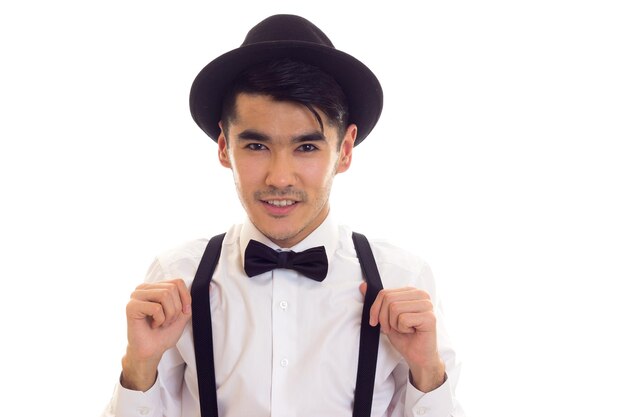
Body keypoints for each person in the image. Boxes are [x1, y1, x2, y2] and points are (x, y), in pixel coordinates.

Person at [103, 14, 463, 417]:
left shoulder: (402, 277)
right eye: (256, 146)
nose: (279, 177)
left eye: (306, 148)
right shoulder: (177, 276)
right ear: (224, 148)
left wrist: (427, 371)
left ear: (344, 150)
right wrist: (139, 366)